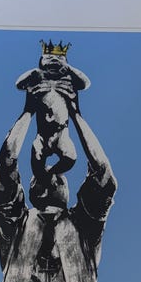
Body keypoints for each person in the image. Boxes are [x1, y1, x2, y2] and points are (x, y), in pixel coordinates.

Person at [0, 79, 117, 282]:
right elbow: (3, 172)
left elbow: (105, 179)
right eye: (41, 176)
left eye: (58, 175)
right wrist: (28, 113)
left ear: (67, 192)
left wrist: (76, 115)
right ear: (30, 192)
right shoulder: (17, 225)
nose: (50, 174)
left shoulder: (83, 226)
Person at [15, 40, 91, 181]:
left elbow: (85, 83)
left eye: (60, 58)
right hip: (42, 134)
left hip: (62, 133)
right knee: (36, 163)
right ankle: (43, 179)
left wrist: (70, 69)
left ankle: (52, 173)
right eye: (49, 57)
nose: (54, 60)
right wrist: (32, 72)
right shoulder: (38, 77)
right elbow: (19, 84)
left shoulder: (68, 79)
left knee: (70, 157)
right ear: (42, 61)